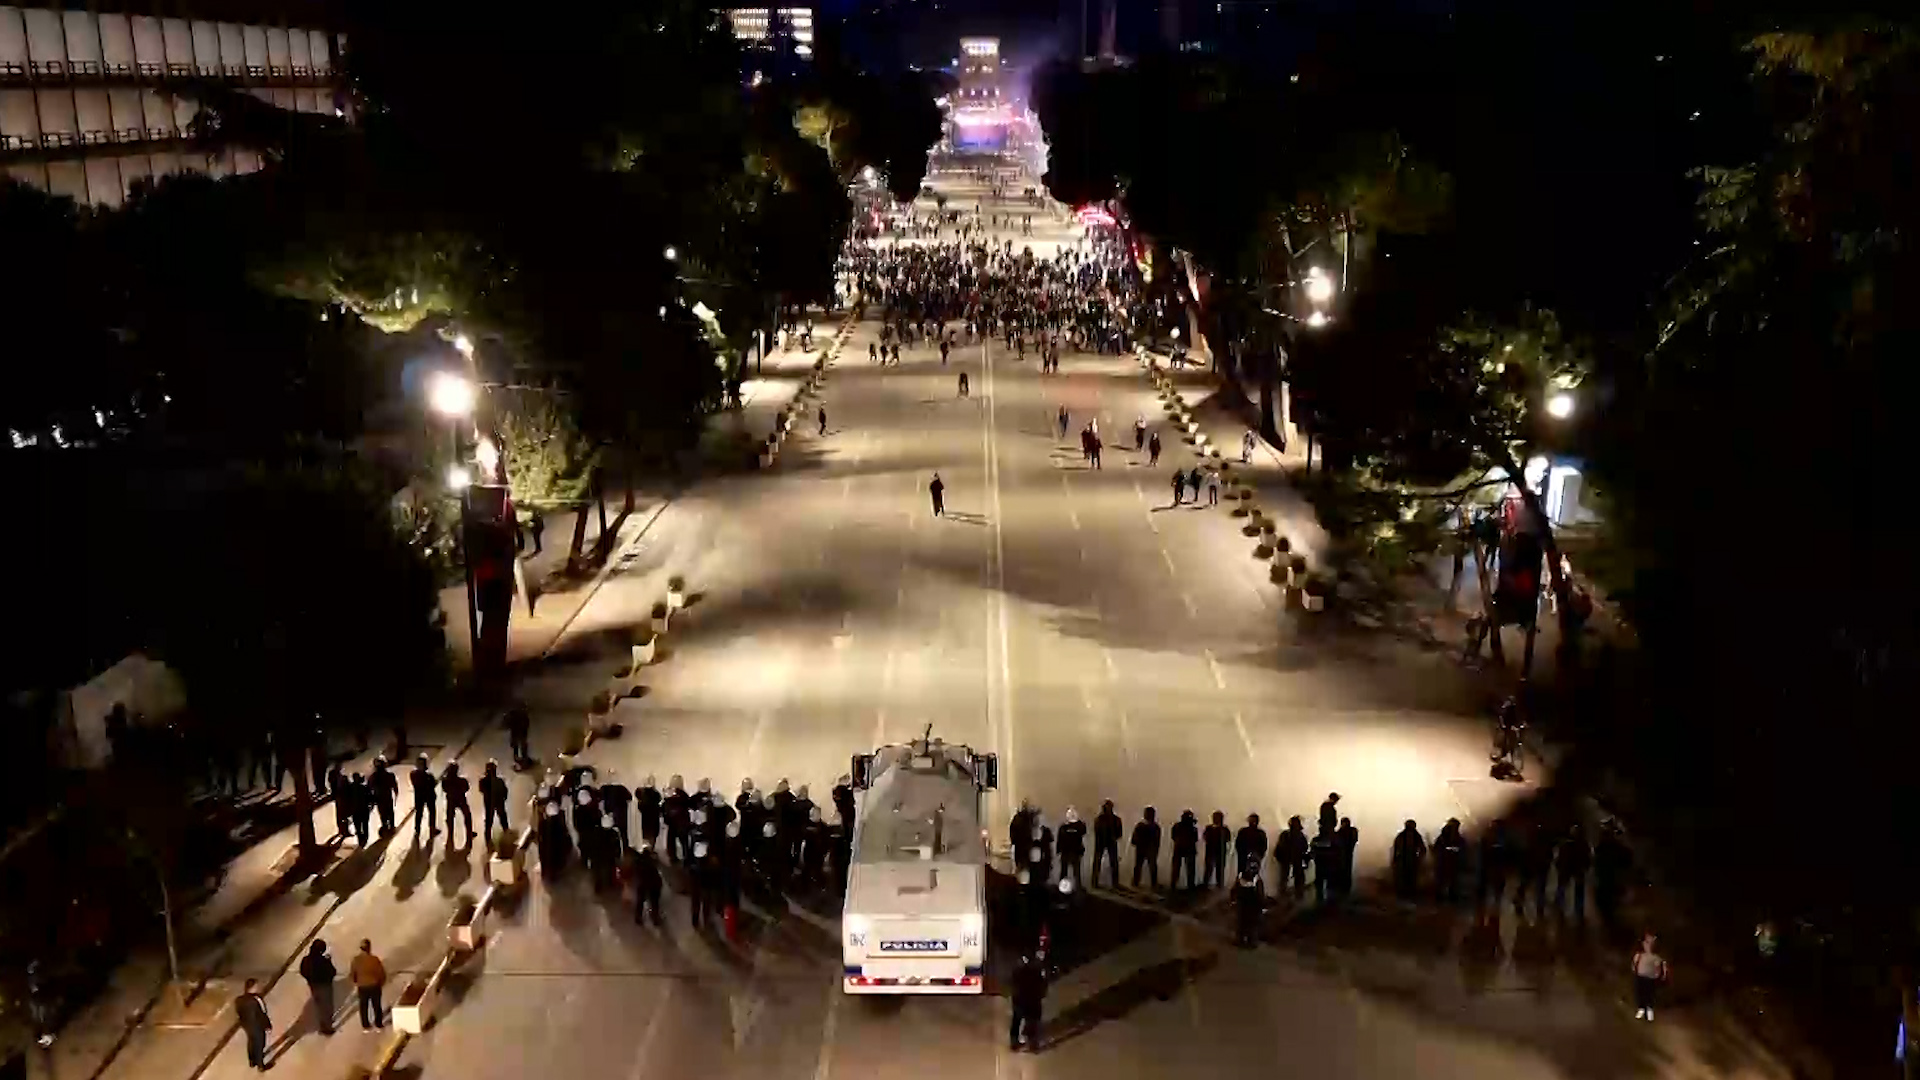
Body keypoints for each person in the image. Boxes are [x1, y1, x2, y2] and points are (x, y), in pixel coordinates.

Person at [297, 940, 337, 1036]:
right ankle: (327, 1027)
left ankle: (322, 1024)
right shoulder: (324, 961)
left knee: (319, 1006)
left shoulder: (306, 960)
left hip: (313, 986)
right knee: (327, 1007)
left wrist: (309, 979)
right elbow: (332, 972)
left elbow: (303, 971)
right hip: (325, 986)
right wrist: (329, 961)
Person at [1009, 952, 1048, 1052]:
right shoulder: (1036, 968)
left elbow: (1013, 981)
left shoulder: (1018, 968)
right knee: (1032, 1020)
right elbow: (1041, 982)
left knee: (1017, 1019)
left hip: (1020, 997)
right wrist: (1041, 994)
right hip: (1031, 998)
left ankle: (1015, 1042)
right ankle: (1032, 1043)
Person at [1554, 825, 1592, 919]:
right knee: (1577, 891)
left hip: (1568, 869)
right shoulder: (1583, 844)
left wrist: (1559, 867)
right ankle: (1577, 911)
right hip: (1576, 869)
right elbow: (1588, 858)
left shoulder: (1566, 844)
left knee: (1564, 889)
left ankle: (1562, 909)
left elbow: (1559, 859)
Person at [235, 977, 272, 1070]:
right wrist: (268, 1025)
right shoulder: (257, 1000)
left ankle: (252, 1061)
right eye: (256, 986)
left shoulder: (238, 1000)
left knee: (251, 1042)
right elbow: (262, 1014)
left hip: (247, 1026)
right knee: (260, 1044)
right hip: (258, 1026)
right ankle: (260, 1065)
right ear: (252, 988)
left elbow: (239, 1014)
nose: (258, 987)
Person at [1631, 933, 1669, 1021]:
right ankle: (1641, 1008)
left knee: (1650, 994)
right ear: (1643, 943)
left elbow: (1659, 967)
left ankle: (1649, 1009)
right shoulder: (1639, 955)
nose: (1649, 945)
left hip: (1650, 978)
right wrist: (1635, 970)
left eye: (1651, 942)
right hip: (1640, 977)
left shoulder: (1656, 957)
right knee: (1640, 993)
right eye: (1647, 942)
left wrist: (1660, 974)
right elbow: (1634, 964)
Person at [350, 940, 386, 1030]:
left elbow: (352, 973)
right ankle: (378, 1023)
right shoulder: (374, 959)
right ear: (369, 948)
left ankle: (365, 1024)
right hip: (374, 985)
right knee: (376, 1005)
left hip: (362, 986)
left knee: (363, 1006)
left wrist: (356, 983)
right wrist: (381, 983)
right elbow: (381, 973)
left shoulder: (356, 960)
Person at [1434, 818, 1467, 903]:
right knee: (1443, 880)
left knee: (1452, 881)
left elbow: (1463, 849)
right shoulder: (1443, 838)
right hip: (1444, 861)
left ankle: (1450, 896)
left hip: (1452, 862)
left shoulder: (1457, 838)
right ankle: (1442, 896)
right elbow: (1437, 848)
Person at [1391, 820, 1427, 900]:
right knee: (1405, 878)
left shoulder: (1414, 836)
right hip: (1405, 859)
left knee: (1410, 878)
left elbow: (1422, 849)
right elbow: (1396, 848)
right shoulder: (1404, 836)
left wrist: (1419, 857)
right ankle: (1405, 894)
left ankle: (1408, 894)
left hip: (1411, 859)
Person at [1092, 800, 1123, 888]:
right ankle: (1114, 882)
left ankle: (1096, 881)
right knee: (1110, 862)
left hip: (1104, 842)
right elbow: (1119, 833)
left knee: (1101, 862)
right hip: (1107, 842)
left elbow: (1096, 831)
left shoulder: (1099, 819)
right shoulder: (1115, 819)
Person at [633, 842, 665, 926]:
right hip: (653, 884)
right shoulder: (652, 860)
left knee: (640, 901)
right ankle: (655, 918)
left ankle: (638, 917)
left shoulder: (638, 862)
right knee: (654, 902)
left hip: (642, 883)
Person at [1130, 807, 1162, 889]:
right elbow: (1157, 841)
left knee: (1139, 865)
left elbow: (1134, 839)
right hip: (1148, 849)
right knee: (1151, 866)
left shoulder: (1140, 825)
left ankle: (1136, 882)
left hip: (1142, 848)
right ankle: (1153, 883)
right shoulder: (1155, 827)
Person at [600, 774, 633, 852]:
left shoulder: (604, 788)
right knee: (622, 833)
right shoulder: (621, 789)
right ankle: (623, 849)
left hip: (610, 816)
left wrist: (604, 813)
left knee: (609, 834)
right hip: (620, 816)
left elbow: (601, 801)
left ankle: (612, 849)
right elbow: (629, 798)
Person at [442, 762, 473, 845]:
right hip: (461, 799)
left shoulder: (445, 781)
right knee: (467, 816)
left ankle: (450, 835)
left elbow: (444, 789)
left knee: (450, 818)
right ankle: (469, 833)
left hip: (451, 800)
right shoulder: (462, 780)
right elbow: (466, 788)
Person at [1233, 867, 1264, 948]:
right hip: (1251, 901)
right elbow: (1260, 896)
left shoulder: (1240, 878)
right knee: (1251, 922)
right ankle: (1250, 940)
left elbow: (1234, 892)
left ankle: (1243, 939)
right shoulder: (1258, 880)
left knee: (1243, 921)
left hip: (1245, 901)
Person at [479, 760, 510, 843]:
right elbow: (505, 791)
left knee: (492, 819)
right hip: (495, 802)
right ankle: (504, 831)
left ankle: (489, 836)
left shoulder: (484, 781)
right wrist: (503, 798)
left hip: (491, 802)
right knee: (498, 817)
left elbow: (482, 790)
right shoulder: (498, 781)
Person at [409, 755, 438, 842]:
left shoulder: (413, 774)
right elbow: (433, 784)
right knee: (431, 812)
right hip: (429, 796)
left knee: (419, 813)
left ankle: (417, 829)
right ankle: (432, 828)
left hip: (419, 796)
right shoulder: (429, 775)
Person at [1170, 810, 1199, 891]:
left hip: (1180, 848)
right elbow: (1195, 839)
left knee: (1178, 867)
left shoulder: (1177, 826)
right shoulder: (1192, 828)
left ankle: (1174, 884)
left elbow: (1173, 836)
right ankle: (1189, 884)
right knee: (1189, 868)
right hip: (1187, 849)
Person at [1202, 811, 1231, 889]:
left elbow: (1228, 838)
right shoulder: (1213, 828)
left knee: (1219, 869)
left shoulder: (1222, 829)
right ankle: (1207, 884)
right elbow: (1205, 837)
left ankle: (1218, 884)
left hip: (1217, 851)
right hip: (1214, 851)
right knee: (1210, 868)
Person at [1057, 807, 1086, 885]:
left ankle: (1063, 886)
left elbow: (1060, 840)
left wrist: (1059, 850)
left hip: (1067, 852)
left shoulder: (1063, 827)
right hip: (1075, 852)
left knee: (1064, 871)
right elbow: (1083, 831)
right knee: (1076, 871)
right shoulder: (1079, 826)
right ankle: (1077, 886)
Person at [369, 757, 398, 835]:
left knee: (383, 812)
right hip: (387, 796)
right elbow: (394, 786)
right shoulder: (389, 775)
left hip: (379, 797)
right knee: (390, 811)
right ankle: (391, 826)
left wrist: (371, 800)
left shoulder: (373, 776)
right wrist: (396, 793)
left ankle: (385, 825)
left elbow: (370, 788)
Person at [1333, 818, 1359, 900]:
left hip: (1345, 853)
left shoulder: (1347, 831)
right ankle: (1344, 888)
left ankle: (1344, 889)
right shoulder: (1349, 831)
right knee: (1344, 870)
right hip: (1343, 854)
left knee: (1345, 870)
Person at [1310, 825, 1337, 905]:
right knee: (1329, 883)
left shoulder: (1316, 840)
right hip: (1328, 864)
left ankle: (1320, 900)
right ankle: (1329, 901)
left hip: (1321, 864)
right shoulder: (1333, 840)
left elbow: (1313, 850)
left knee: (1320, 882)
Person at [1235, 813, 1269, 877]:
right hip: (1247, 856)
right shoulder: (1244, 831)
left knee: (1250, 872)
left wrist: (1259, 855)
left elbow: (1264, 846)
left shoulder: (1244, 831)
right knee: (1246, 872)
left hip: (1251, 856)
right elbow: (1238, 844)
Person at [637, 776, 663, 849]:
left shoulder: (642, 794)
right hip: (654, 818)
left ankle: (646, 850)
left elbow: (640, 807)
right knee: (653, 835)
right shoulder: (656, 794)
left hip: (645, 818)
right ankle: (651, 849)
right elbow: (659, 804)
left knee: (646, 835)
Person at [506, 703, 531, 768]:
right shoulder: (521, 715)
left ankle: (520, 760)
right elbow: (526, 724)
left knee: (518, 746)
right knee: (520, 745)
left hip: (517, 732)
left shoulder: (514, 715)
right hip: (519, 732)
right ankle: (522, 760)